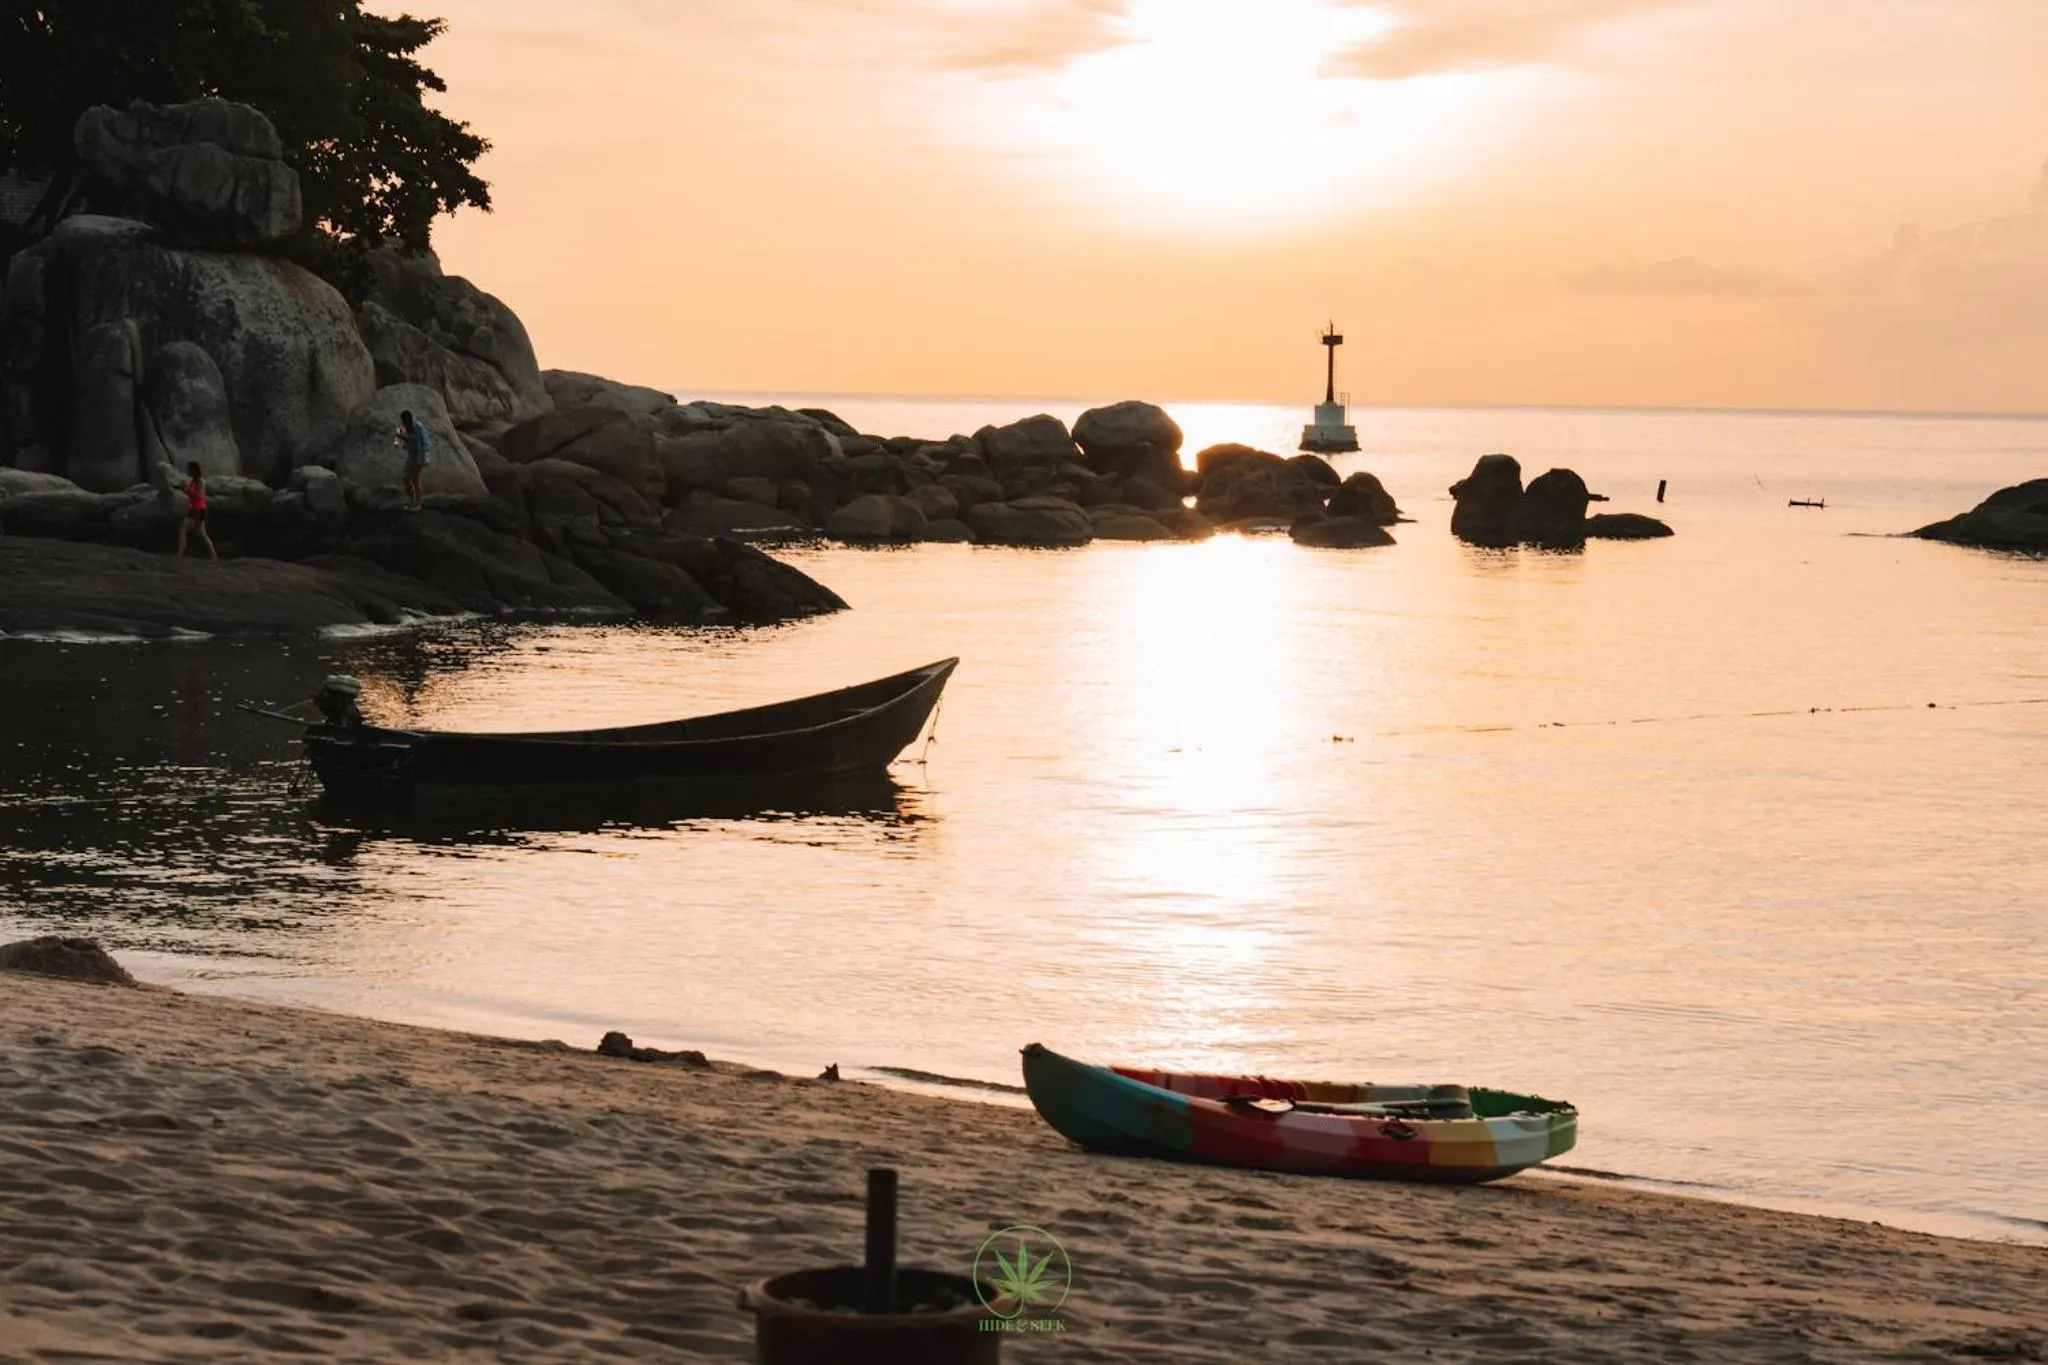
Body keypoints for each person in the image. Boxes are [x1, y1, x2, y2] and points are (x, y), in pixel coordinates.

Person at [176, 462, 217, 559]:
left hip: (198, 509)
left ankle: (180, 554)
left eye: (189, 469)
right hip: (196, 509)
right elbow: (192, 495)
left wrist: (187, 489)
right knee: (202, 534)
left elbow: (198, 495)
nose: (187, 471)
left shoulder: (200, 482)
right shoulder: (194, 482)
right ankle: (214, 556)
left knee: (183, 529)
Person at [394, 409, 431, 510]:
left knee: (415, 479)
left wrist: (401, 436)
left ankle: (418, 503)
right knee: (406, 478)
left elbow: (417, 440)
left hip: (419, 455)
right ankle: (412, 500)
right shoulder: (408, 427)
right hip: (412, 455)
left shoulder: (418, 427)